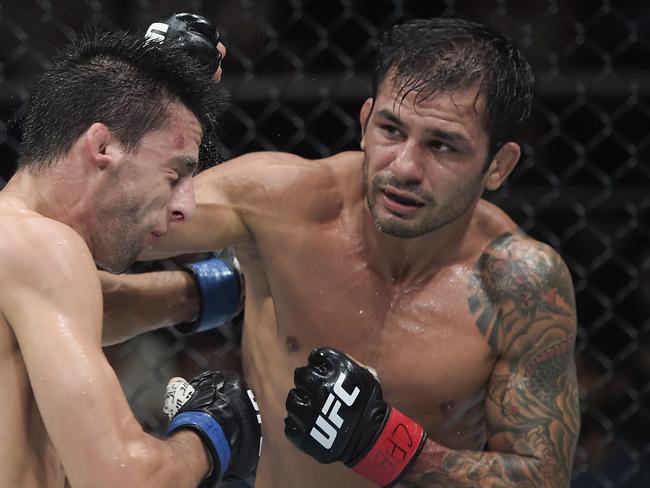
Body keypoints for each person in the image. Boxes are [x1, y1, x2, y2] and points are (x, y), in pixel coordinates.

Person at [103, 17, 580, 487]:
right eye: (391, 130)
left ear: (498, 165)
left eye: (442, 146)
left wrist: (382, 446)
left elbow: (541, 476)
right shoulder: (281, 201)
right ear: (364, 121)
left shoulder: (519, 282)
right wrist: (149, 104)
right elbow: (90, 219)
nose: (406, 166)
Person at [0, 14, 261, 488]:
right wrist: (212, 432)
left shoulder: (17, 250)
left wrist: (227, 289)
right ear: (103, 145)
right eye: (176, 174)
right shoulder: (43, 249)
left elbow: (104, 303)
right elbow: (121, 479)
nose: (187, 205)